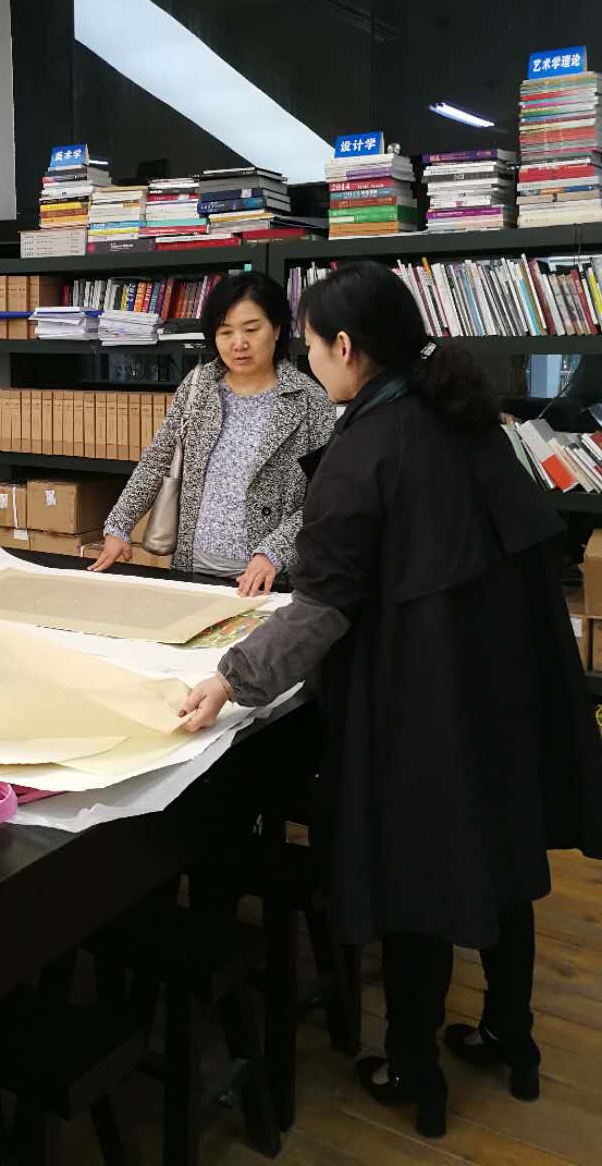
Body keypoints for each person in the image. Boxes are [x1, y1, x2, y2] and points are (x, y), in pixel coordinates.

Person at [179, 260, 602, 1138]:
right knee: (504, 862)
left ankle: (414, 1070)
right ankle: (511, 1037)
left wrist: (230, 679)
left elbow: (323, 607)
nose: (306, 359)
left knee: (417, 881)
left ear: (346, 347)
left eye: (308, 345)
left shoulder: (365, 449)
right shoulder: (469, 418)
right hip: (506, 689)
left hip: (424, 700)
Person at [89, 271, 336, 593]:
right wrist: (119, 526)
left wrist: (275, 552)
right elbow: (158, 461)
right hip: (192, 567)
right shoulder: (198, 387)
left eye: (251, 329)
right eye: (225, 332)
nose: (239, 344)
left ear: (277, 329)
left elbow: (325, 500)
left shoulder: (310, 401)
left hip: (269, 577)